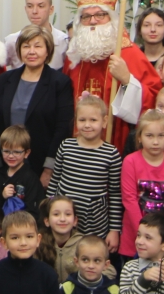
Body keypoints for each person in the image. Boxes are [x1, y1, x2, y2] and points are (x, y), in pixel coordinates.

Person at [63, 0, 161, 151]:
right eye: (86, 16)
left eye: (100, 14)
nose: (93, 21)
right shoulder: (74, 56)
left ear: (111, 17)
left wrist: (128, 81)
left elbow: (155, 99)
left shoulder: (129, 53)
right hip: (76, 145)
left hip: (116, 144)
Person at [0, 24, 75, 188]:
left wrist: (49, 168)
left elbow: (62, 128)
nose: (31, 51)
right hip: (5, 164)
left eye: (37, 46)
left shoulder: (59, 83)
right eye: (26, 46)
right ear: (19, 50)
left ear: (47, 51)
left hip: (41, 165)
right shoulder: (6, 79)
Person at [47, 96, 123, 252]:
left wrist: (114, 230)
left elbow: (115, 194)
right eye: (82, 120)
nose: (87, 125)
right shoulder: (66, 146)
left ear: (104, 121)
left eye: (93, 120)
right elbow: (54, 182)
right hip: (63, 220)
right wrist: (47, 210)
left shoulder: (111, 154)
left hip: (94, 224)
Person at [118, 110, 164, 260]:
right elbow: (129, 199)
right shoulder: (131, 162)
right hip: (135, 239)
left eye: (161, 135)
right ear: (139, 137)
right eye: (149, 136)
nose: (155, 142)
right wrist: (144, 235)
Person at [0, 125, 44, 219]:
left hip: (22, 224)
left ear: (26, 153)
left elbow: (34, 209)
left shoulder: (30, 178)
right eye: (6, 151)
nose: (11, 156)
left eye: (16, 152)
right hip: (0, 224)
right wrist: (2, 196)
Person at [3, 0, 69, 71]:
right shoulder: (13, 41)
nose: (34, 11)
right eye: (30, 6)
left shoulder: (64, 42)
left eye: (40, 6)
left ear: (51, 9)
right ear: (25, 9)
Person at [134, 8, 164, 76]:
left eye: (159, 25)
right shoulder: (135, 58)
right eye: (147, 25)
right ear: (140, 30)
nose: (153, 29)